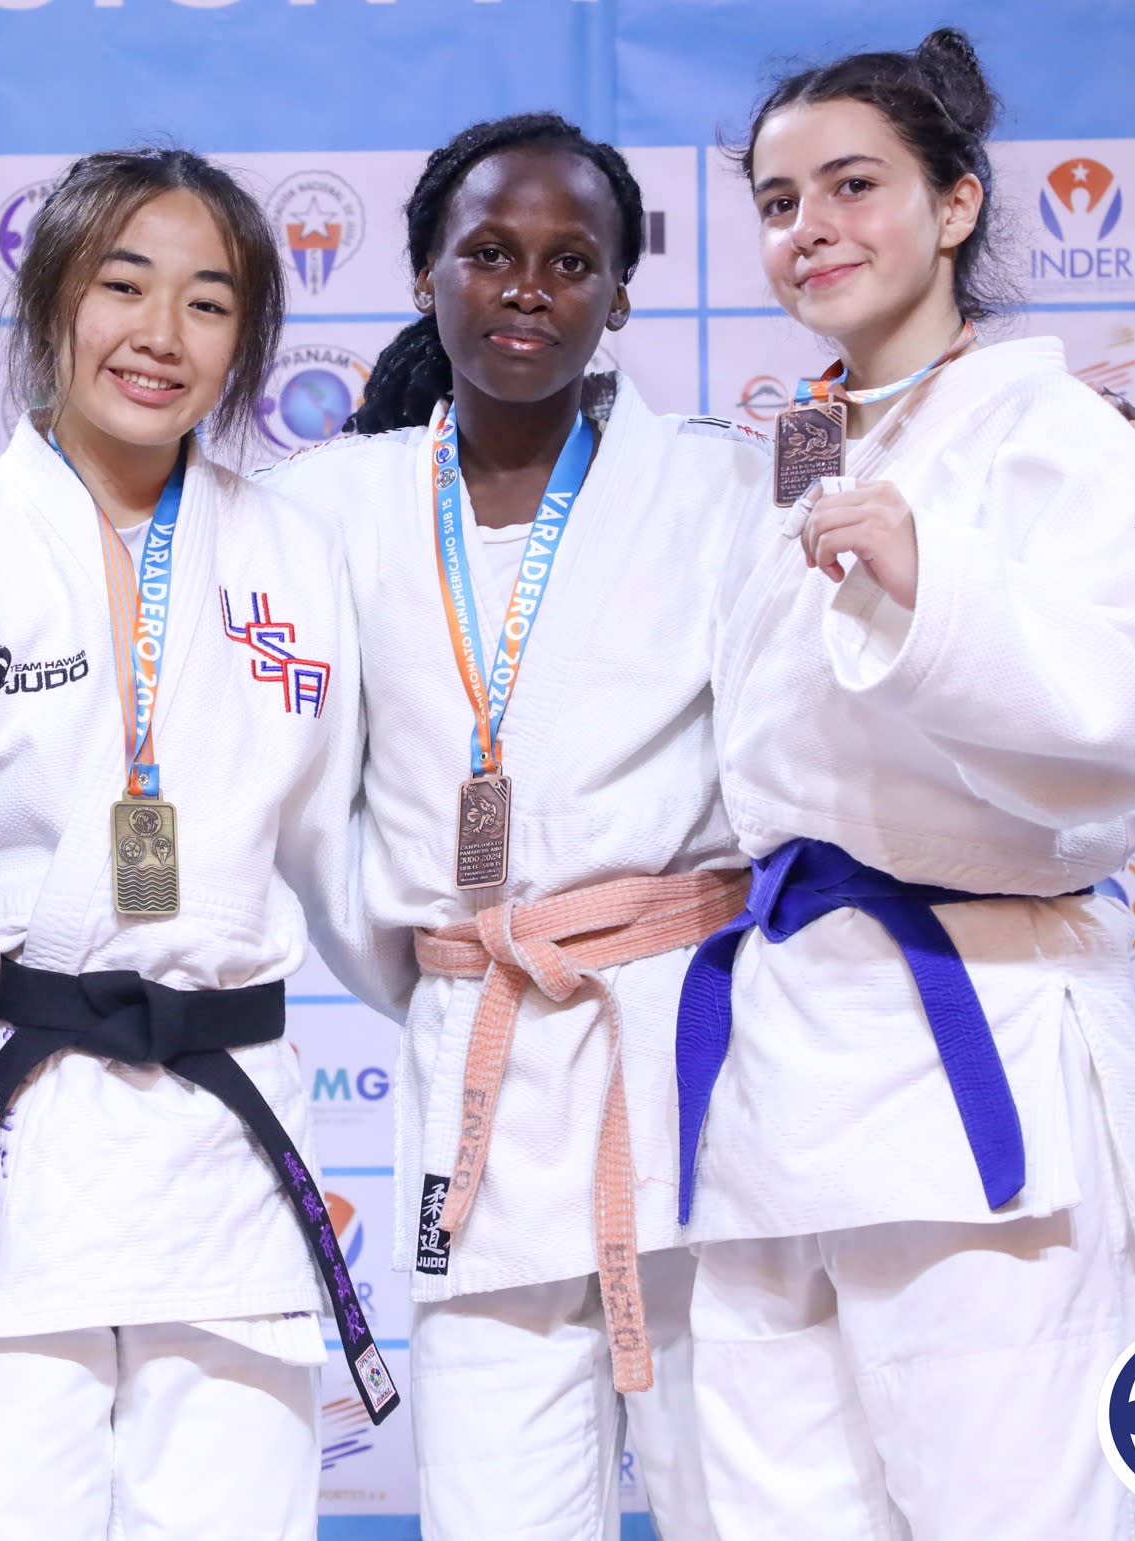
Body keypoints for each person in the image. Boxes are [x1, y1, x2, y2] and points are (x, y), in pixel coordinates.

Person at [671, 29, 1135, 1538]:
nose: (813, 231)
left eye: (856, 187)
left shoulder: (1053, 429)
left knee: (1009, 1508)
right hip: (782, 1061)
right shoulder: (786, 439)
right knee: (780, 1508)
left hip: (970, 1030)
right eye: (780, 202)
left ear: (958, 206)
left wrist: (936, 591)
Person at [263, 113, 767, 1540]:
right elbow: (306, 808)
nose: (529, 288)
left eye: (571, 260)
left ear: (621, 292)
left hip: (681, 1045)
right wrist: (446, 960)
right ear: (428, 269)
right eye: (490, 253)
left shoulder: (724, 485)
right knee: (493, 1504)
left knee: (735, 1488)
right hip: (476, 1046)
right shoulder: (326, 505)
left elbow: (790, 757)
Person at [0, 146, 405, 1541]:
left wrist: (472, 980)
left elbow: (335, 849)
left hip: (225, 1131)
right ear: (52, 300)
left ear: (247, 339)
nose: (160, 335)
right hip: (10, 1126)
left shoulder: (295, 555)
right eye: (123, 285)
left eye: (209, 301)